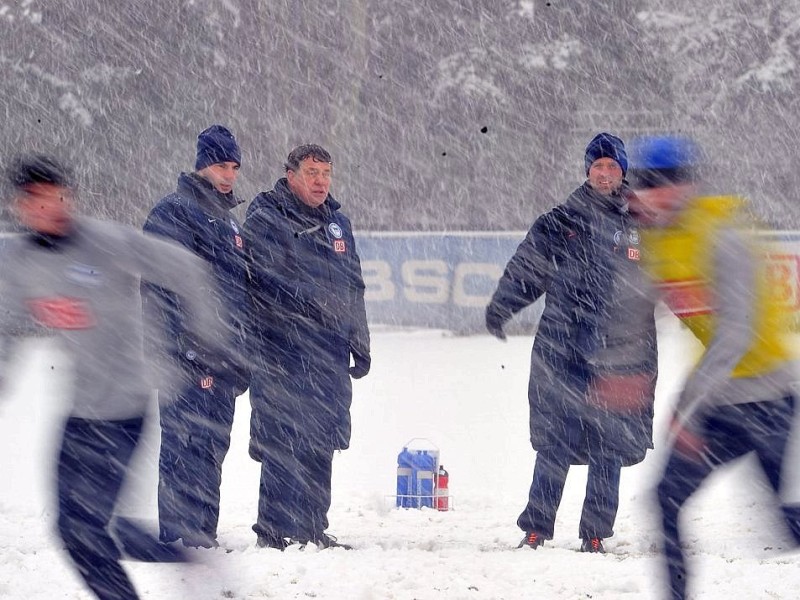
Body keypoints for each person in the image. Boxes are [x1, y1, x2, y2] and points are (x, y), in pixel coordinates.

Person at [0, 154, 222, 600]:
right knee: (75, 529)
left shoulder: (105, 242)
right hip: (79, 410)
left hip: (126, 407)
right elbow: (5, 324)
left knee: (85, 532)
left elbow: (188, 270)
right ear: (20, 206)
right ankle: (189, 558)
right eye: (36, 201)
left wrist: (209, 338)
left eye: (56, 197)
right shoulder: (17, 260)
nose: (49, 208)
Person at [627, 135, 800, 600]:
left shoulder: (725, 236)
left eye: (665, 182)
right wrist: (618, 370)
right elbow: (639, 306)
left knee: (791, 528)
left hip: (771, 401)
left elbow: (736, 336)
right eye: (645, 183)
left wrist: (685, 408)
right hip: (721, 404)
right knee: (664, 499)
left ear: (688, 185)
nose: (653, 193)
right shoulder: (659, 239)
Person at [485, 133, 658, 553]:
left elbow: (680, 281)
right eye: (597, 166)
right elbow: (527, 270)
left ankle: (595, 533)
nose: (604, 173)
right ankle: (536, 528)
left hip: (623, 352)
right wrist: (501, 306)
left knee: (609, 446)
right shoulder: (560, 222)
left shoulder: (644, 225)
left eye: (612, 167)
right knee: (554, 441)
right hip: (563, 349)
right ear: (587, 170)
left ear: (622, 172)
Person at [244, 144, 370, 550]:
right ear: (291, 174)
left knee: (321, 439)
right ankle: (272, 529)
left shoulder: (339, 224)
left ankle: (311, 526)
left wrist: (359, 338)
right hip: (282, 350)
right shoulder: (266, 218)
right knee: (282, 439)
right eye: (312, 172)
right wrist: (313, 307)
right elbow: (262, 282)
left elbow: (354, 286)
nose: (320, 181)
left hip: (329, 353)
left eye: (326, 173)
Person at [141, 124, 250, 549]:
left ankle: (202, 534)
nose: (229, 174)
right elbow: (160, 286)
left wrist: (239, 353)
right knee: (183, 447)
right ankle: (177, 535)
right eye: (222, 164)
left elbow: (237, 296)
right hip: (183, 359)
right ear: (203, 163)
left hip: (222, 358)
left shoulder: (230, 221)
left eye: (235, 166)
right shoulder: (174, 212)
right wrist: (181, 349)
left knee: (211, 448)